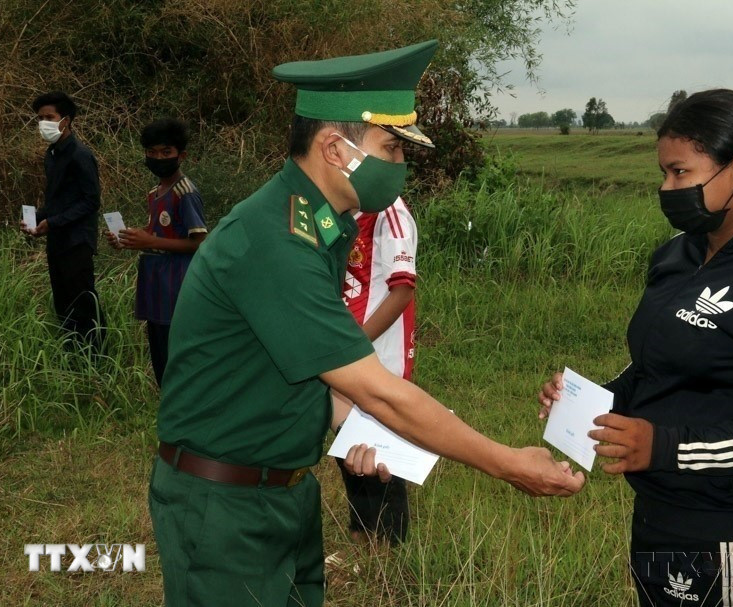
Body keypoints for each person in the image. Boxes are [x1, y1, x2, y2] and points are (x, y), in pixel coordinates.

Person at [150, 40, 585, 607]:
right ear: (335, 148)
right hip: (224, 509)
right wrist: (508, 464)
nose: (400, 165)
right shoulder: (275, 242)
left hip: (281, 491)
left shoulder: (321, 227)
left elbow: (315, 375)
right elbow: (377, 390)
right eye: (392, 148)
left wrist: (371, 437)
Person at [539, 89, 733, 607]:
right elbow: (654, 365)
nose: (666, 187)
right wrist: (591, 399)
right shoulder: (676, 256)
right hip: (660, 510)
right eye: (664, 173)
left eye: (680, 173)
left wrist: (666, 447)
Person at [335, 195, 417, 546]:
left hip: (377, 356)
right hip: (341, 351)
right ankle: (361, 538)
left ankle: (392, 548)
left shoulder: (390, 212)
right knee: (349, 449)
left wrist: (355, 345)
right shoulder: (334, 208)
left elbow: (402, 290)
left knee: (383, 460)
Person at [106, 118, 207, 386]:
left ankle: (182, 400)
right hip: (155, 284)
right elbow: (157, 233)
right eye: (152, 152)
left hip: (177, 283)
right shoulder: (155, 192)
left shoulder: (185, 192)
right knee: (159, 349)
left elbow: (200, 242)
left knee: (176, 352)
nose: (158, 158)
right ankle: (167, 398)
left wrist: (148, 241)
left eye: (166, 152)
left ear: (181, 155)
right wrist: (129, 239)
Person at [22, 91, 105, 353]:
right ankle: (72, 353)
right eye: (40, 118)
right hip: (57, 238)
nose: (43, 123)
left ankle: (96, 356)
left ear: (65, 120)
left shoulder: (80, 155)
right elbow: (58, 199)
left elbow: (91, 201)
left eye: (49, 117)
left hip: (77, 240)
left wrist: (53, 222)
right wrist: (37, 218)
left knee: (82, 299)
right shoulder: (52, 154)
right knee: (63, 299)